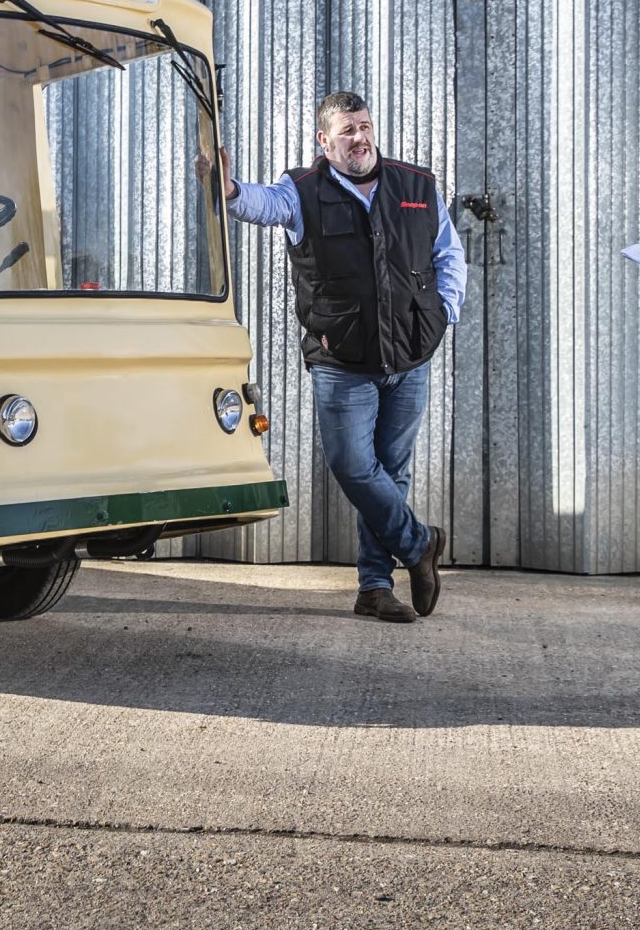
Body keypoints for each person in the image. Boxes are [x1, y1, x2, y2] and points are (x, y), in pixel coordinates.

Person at [197, 92, 467, 622]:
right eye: (347, 131)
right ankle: (418, 545)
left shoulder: (416, 185)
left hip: (410, 356)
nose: (360, 138)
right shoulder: (301, 191)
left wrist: (444, 313)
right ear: (325, 140)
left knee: (391, 472)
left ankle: (374, 587)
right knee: (352, 465)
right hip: (341, 360)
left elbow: (447, 252)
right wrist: (226, 189)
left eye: (365, 126)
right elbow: (260, 204)